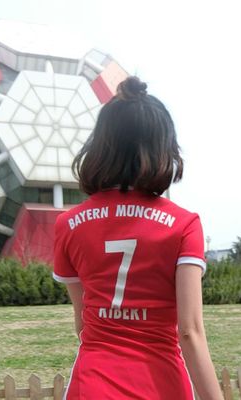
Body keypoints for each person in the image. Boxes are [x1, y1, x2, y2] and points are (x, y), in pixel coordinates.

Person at [53, 76, 223, 400]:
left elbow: (83, 324)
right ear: (162, 148)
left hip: (92, 385)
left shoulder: (68, 224)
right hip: (162, 385)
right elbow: (190, 333)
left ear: (100, 146)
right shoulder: (184, 225)